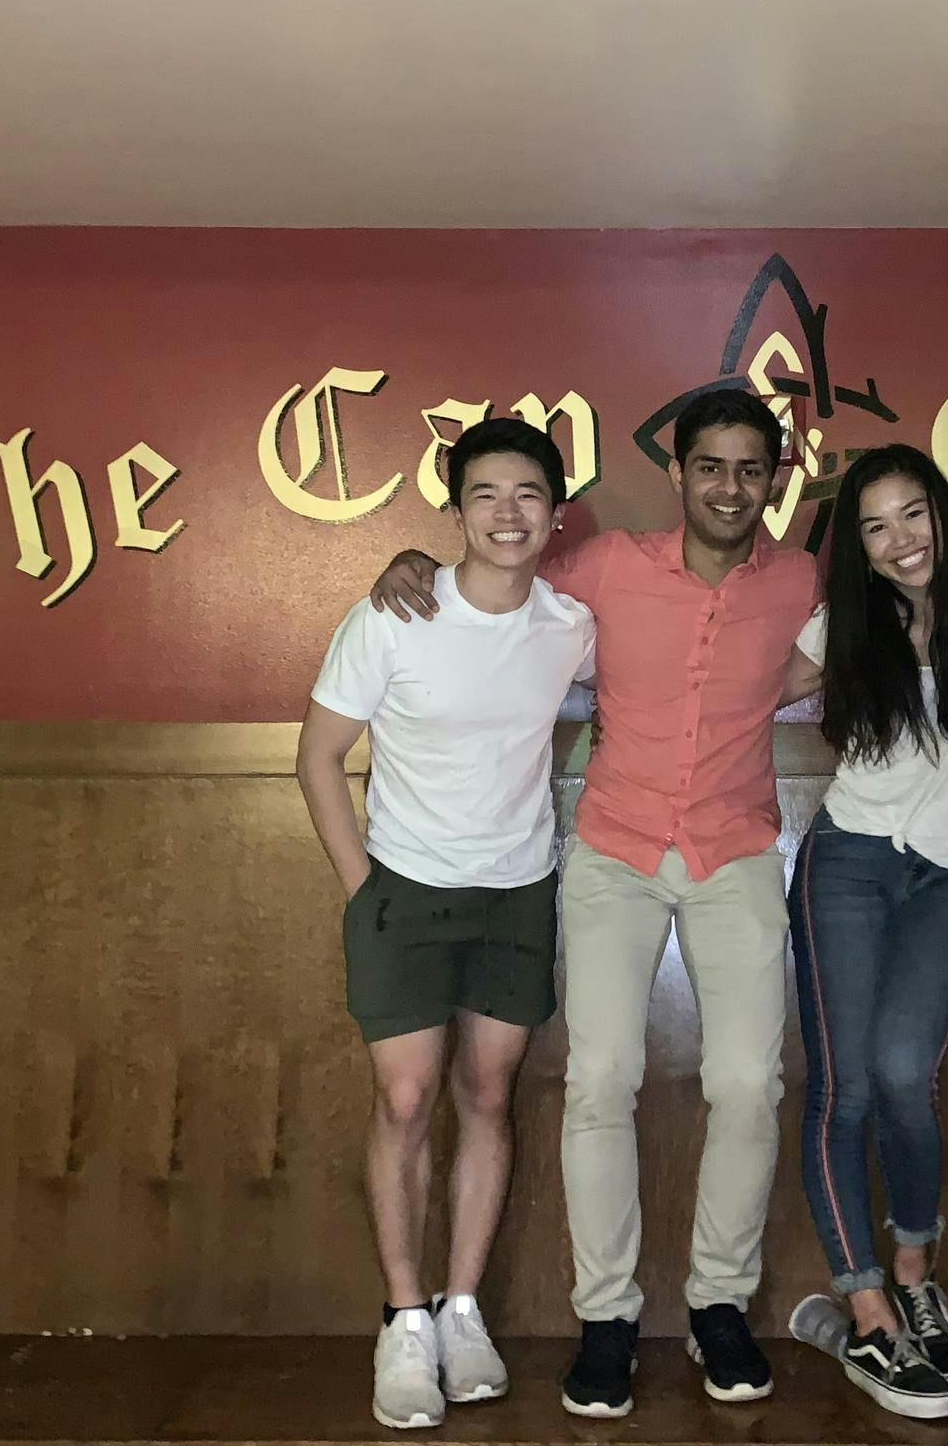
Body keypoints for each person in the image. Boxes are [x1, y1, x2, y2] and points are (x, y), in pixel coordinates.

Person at [368, 389, 817, 1419]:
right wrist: (413, 571)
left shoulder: (795, 579)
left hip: (735, 848)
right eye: (711, 466)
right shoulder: (608, 564)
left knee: (748, 1082)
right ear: (681, 475)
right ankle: (606, 1317)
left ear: (773, 481)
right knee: (597, 1079)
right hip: (612, 851)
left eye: (752, 470)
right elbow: (498, 575)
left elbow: (872, 620)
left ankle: (717, 1303)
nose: (730, 487)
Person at [296, 418, 597, 1430]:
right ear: (455, 509)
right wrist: (362, 887)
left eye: (526, 495)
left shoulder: (570, 623)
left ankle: (463, 1308)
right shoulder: (395, 613)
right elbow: (317, 756)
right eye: (484, 494)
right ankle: (403, 1316)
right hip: (403, 890)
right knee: (404, 1097)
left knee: (487, 1090)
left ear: (554, 514)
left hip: (517, 890)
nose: (506, 514)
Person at [778, 443, 948, 1421]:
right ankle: (865, 1303)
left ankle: (913, 1268)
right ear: (858, 549)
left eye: (913, 515)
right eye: (875, 526)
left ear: (942, 519)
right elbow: (738, 694)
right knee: (847, 1084)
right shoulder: (842, 626)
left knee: (906, 1071)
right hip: (848, 866)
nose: (899, 540)